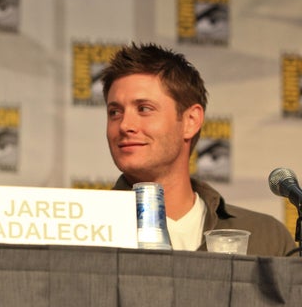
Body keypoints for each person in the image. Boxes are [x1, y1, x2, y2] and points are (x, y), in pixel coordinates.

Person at [100, 42, 295, 256]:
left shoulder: (266, 238)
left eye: (144, 109)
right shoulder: (86, 231)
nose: (125, 125)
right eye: (115, 112)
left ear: (191, 120)